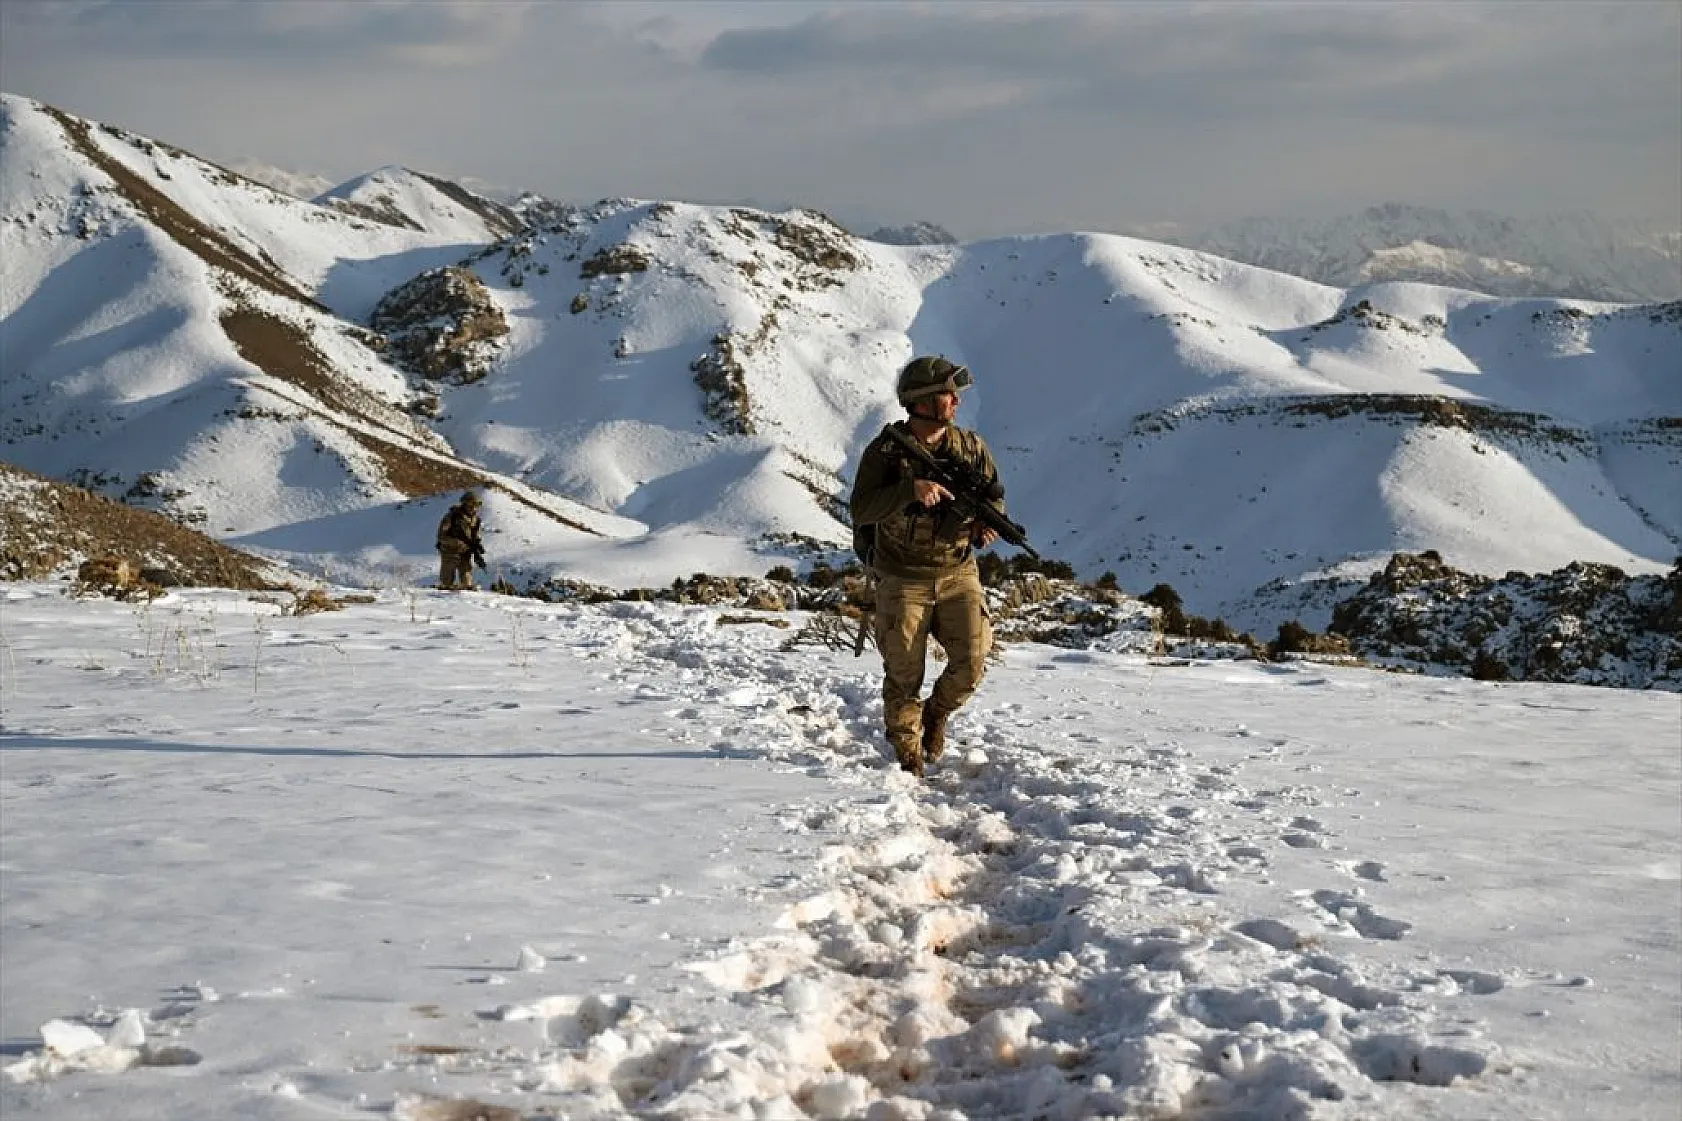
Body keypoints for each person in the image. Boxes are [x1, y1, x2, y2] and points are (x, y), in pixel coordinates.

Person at [849, 356, 1004, 777]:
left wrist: (985, 524)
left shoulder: (970, 447)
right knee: (904, 675)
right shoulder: (885, 452)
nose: (956, 402)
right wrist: (909, 490)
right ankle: (908, 755)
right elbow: (862, 509)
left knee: (972, 661)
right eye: (947, 395)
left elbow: (994, 497)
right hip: (901, 578)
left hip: (958, 572)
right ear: (921, 402)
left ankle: (935, 714)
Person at [436, 490, 485, 590]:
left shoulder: (476, 520)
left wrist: (477, 549)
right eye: (471, 505)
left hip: (465, 553)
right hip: (449, 553)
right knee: (446, 585)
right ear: (464, 504)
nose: (473, 508)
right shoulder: (452, 517)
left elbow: (475, 537)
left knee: (467, 585)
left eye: (476, 505)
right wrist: (457, 543)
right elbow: (441, 536)